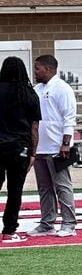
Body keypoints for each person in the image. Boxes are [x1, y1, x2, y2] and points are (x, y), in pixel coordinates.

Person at [29, 54, 78, 237]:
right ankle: (47, 222)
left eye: (37, 68)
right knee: (44, 188)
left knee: (62, 186)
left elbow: (69, 118)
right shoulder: (36, 89)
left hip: (57, 146)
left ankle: (69, 223)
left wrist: (66, 143)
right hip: (40, 146)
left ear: (48, 69)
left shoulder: (62, 89)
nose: (35, 72)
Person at [0, 57, 41, 243]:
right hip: (19, 146)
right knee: (15, 190)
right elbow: (34, 127)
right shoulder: (29, 94)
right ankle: (9, 230)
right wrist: (33, 152)